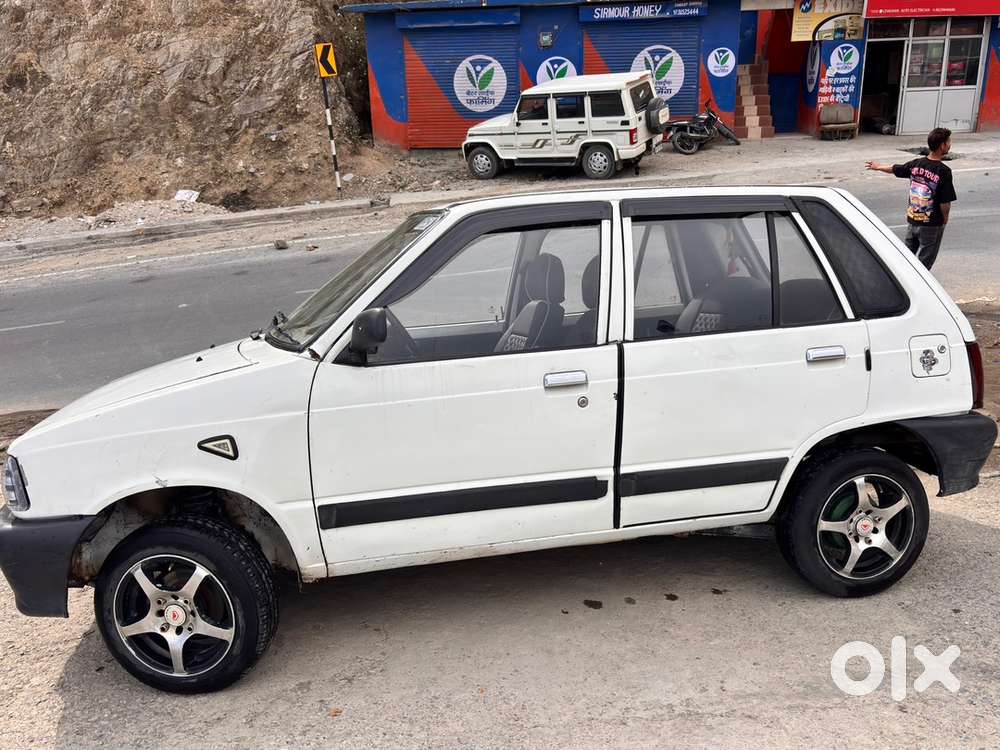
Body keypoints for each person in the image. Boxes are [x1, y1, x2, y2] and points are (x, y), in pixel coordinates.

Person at [865, 127, 957, 270]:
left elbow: (896, 168)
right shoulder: (944, 171)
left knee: (906, 258)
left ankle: (900, 279)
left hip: (913, 221)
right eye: (948, 142)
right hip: (931, 224)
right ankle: (915, 287)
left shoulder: (917, 164)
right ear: (942, 146)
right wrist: (945, 218)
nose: (950, 145)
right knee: (925, 262)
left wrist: (878, 167)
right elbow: (945, 203)